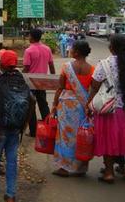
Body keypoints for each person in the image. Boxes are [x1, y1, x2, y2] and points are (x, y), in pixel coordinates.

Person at [88, 34, 125, 184]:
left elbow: (94, 86)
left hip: (110, 108)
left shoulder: (103, 64)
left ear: (110, 48)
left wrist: (88, 104)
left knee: (108, 138)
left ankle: (108, 173)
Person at [0, 50, 34, 202]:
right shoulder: (21, 79)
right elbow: (32, 100)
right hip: (16, 126)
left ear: (1, 65)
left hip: (0, 127)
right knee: (12, 160)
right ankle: (10, 195)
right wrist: (25, 123)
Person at [51, 41, 94, 177]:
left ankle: (64, 167)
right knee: (81, 134)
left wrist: (54, 105)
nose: (70, 50)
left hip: (67, 105)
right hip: (83, 105)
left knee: (65, 135)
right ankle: (80, 167)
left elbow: (60, 87)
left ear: (76, 52)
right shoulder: (92, 69)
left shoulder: (66, 67)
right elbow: (93, 89)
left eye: (72, 49)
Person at [23, 28, 55, 137]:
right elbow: (51, 65)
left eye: (29, 36)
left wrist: (21, 78)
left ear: (32, 37)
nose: (28, 38)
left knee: (31, 106)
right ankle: (48, 128)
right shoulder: (47, 49)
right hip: (42, 81)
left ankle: (33, 131)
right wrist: (54, 78)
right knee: (43, 105)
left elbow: (26, 68)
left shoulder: (29, 51)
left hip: (31, 82)